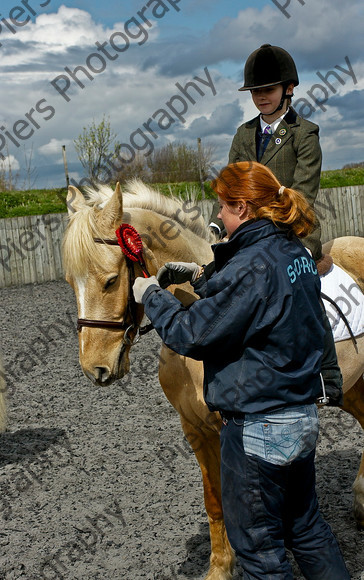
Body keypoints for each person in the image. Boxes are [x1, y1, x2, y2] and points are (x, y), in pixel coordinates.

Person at [133, 162, 350, 579]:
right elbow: (255, 300)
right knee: (307, 529)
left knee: (259, 553)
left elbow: (193, 333)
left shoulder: (253, 265)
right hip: (300, 417)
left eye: (223, 208)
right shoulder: (295, 253)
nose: (218, 217)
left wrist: (153, 295)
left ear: (244, 208)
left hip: (258, 430)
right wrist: (201, 275)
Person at [209, 44, 323, 263]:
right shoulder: (243, 134)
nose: (261, 97)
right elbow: (228, 188)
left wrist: (266, 231)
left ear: (288, 89)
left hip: (293, 229)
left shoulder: (305, 134)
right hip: (246, 233)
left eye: (268, 90)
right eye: (255, 91)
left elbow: (303, 196)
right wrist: (216, 225)